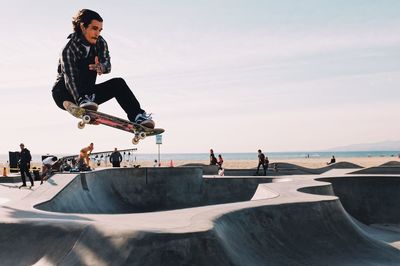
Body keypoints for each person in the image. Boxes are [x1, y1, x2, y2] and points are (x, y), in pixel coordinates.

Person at [52, 9, 154, 128]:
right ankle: (83, 99)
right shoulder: (69, 48)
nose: (97, 33)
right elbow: (70, 76)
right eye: (94, 28)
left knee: (118, 83)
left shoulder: (100, 42)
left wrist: (101, 67)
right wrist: (81, 101)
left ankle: (138, 116)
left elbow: (107, 65)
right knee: (84, 65)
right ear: (82, 27)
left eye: (100, 30)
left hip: (88, 95)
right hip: (64, 93)